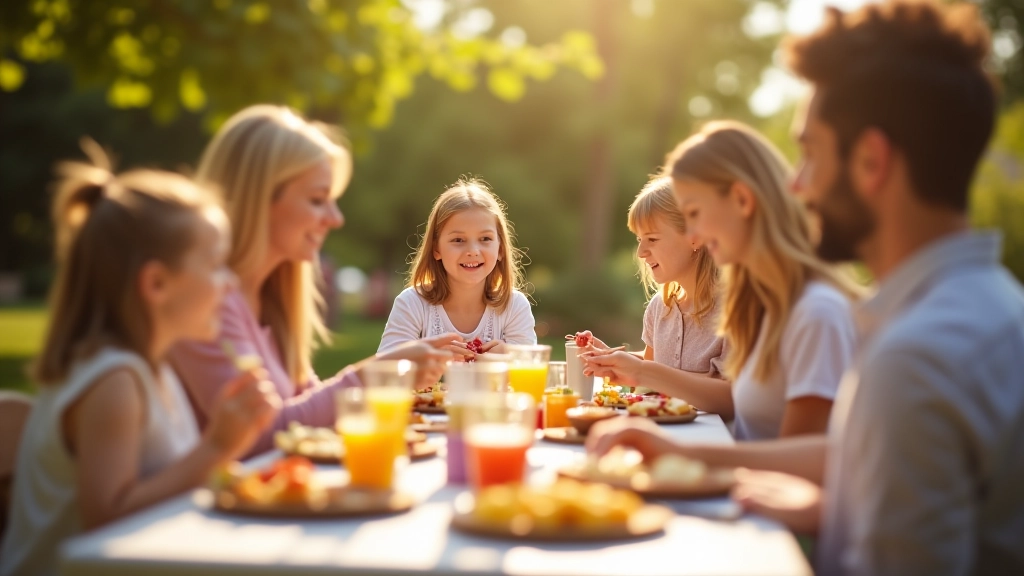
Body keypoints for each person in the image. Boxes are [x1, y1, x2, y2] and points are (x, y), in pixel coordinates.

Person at [591, 1, 1024, 573]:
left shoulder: (915, 354)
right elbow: (869, 460)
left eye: (811, 153)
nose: (797, 183)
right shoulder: (991, 308)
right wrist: (681, 448)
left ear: (871, 161)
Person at [0, 145, 279, 576]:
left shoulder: (151, 369)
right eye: (215, 265)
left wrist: (226, 457)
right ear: (156, 283)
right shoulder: (114, 381)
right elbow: (107, 522)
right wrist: (218, 447)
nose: (229, 284)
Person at [170, 105, 451, 457]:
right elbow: (259, 436)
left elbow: (307, 411)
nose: (335, 219)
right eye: (318, 200)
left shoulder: (270, 299)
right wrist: (371, 378)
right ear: (259, 200)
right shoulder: (208, 304)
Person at [587, 123, 859, 439]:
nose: (695, 235)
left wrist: (677, 452)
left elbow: (801, 467)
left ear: (742, 201)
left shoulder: (815, 312)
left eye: (695, 213)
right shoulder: (760, 305)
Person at [571, 176, 730, 411]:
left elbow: (731, 396)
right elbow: (651, 371)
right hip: (665, 436)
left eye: (652, 239)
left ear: (694, 237)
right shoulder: (660, 308)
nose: (641, 252)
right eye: (639, 240)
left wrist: (643, 372)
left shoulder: (734, 308)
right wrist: (611, 360)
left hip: (715, 442)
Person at [378, 178, 537, 359]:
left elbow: (532, 371)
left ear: (500, 249)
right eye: (458, 240)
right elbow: (383, 371)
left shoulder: (514, 306)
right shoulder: (412, 303)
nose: (473, 251)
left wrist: (511, 357)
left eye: (485, 239)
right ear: (436, 249)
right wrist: (433, 358)